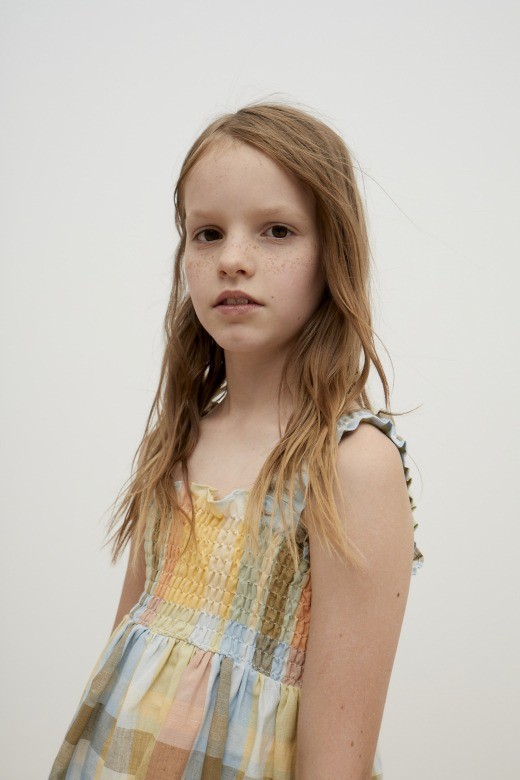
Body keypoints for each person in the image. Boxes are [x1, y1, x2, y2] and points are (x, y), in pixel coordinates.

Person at [49, 102, 424, 780]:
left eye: (277, 231)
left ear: (332, 253)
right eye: (208, 233)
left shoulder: (351, 466)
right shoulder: (178, 440)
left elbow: (335, 763)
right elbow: (122, 655)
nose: (233, 260)